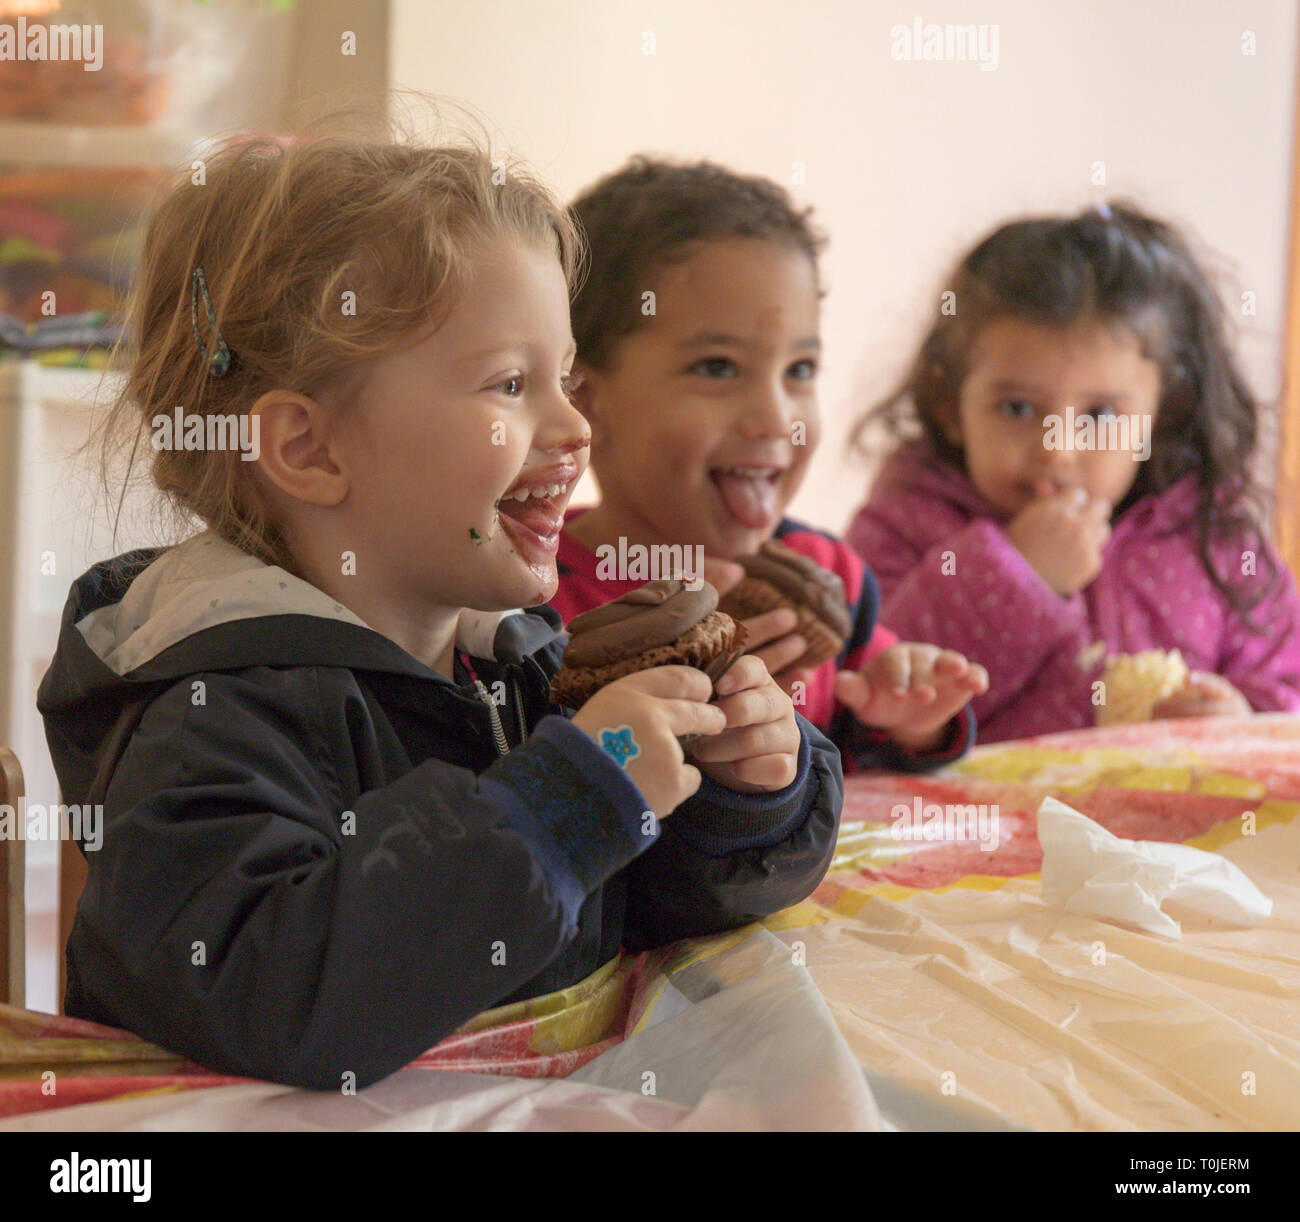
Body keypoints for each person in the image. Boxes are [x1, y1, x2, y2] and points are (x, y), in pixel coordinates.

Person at [37, 124, 843, 1091]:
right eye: (511, 384)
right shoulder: (210, 713)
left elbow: (632, 910)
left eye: (566, 377)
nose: (577, 427)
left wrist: (742, 797)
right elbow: (279, 995)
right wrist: (567, 802)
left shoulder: (517, 666)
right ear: (311, 449)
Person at [553, 157, 986, 772]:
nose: (777, 418)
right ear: (584, 399)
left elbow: (869, 732)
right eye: (718, 368)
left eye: (799, 370)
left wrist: (911, 714)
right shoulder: (539, 606)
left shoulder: (830, 577)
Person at [846, 202, 1300, 742]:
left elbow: (1283, 685)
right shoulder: (907, 520)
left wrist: (1240, 721)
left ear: (1164, 412)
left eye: (1100, 416)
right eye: (1017, 408)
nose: (1057, 450)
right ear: (950, 404)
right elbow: (868, 701)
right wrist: (1018, 573)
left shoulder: (1215, 536)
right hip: (978, 822)